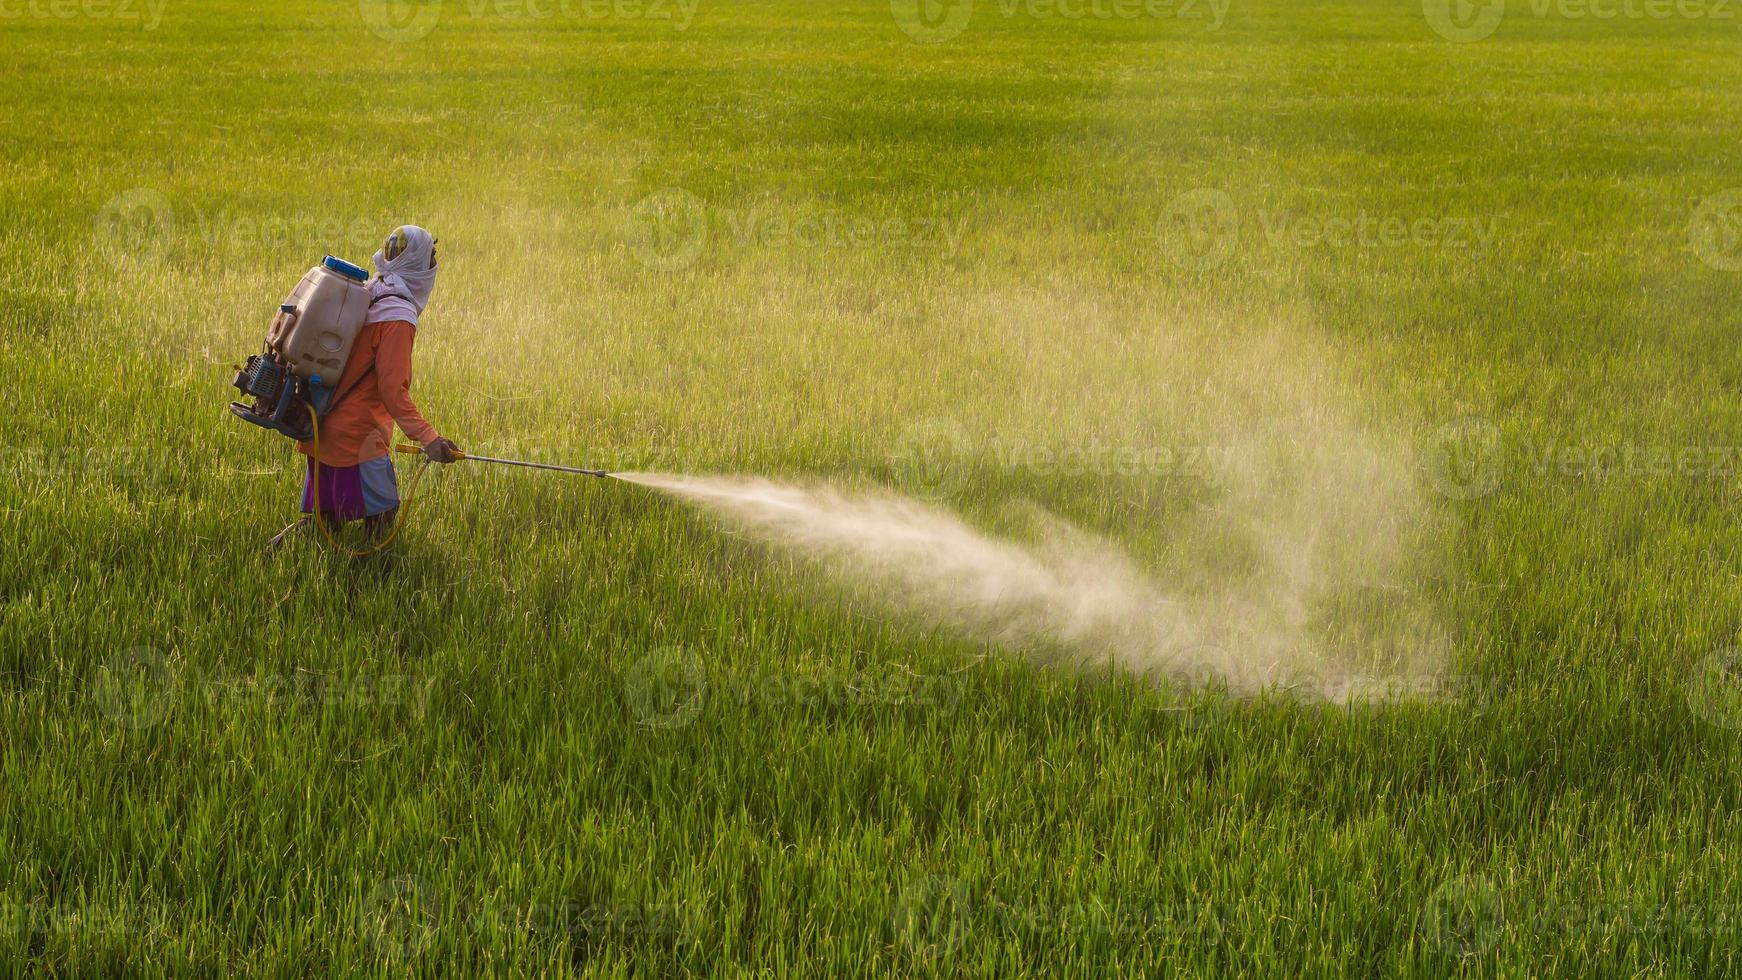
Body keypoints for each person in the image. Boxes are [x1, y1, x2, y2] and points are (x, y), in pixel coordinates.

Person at [269, 225, 462, 549]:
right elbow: (392, 390)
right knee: (383, 519)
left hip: (320, 424)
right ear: (415, 265)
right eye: (431, 257)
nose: (433, 266)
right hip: (357, 439)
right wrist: (429, 438)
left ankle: (272, 555)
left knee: (324, 524)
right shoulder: (397, 316)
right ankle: (373, 584)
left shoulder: (369, 292)